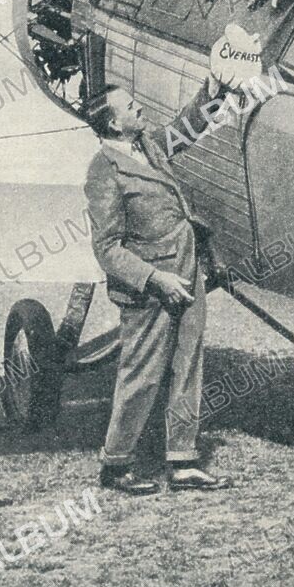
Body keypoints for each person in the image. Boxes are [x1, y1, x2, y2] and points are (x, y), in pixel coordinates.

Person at [83, 34, 252, 495]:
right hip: (152, 289)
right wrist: (155, 279)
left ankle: (183, 460)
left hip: (188, 272)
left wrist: (215, 88)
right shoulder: (104, 172)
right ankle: (116, 466)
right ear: (113, 124)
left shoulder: (151, 147)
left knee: (188, 365)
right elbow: (108, 248)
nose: (140, 109)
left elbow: (188, 125)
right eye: (131, 106)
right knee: (141, 373)